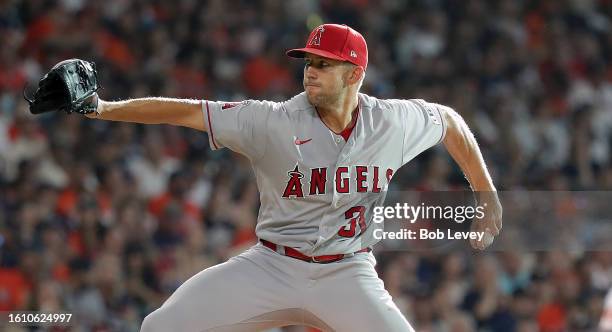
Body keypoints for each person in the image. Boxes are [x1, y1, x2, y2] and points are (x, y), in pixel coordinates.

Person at [87, 23, 502, 332]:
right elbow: (186, 110)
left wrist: (485, 192)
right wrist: (102, 109)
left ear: (354, 75)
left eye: (324, 64)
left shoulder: (391, 122)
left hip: (347, 271)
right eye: (308, 62)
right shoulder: (272, 121)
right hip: (271, 265)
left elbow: (448, 121)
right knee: (161, 327)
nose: (310, 71)